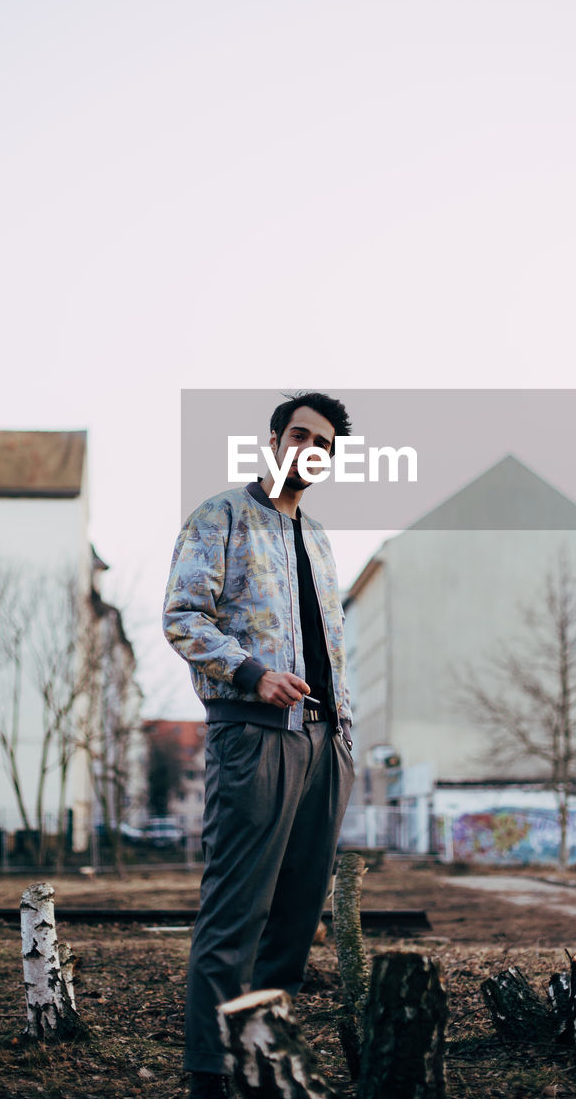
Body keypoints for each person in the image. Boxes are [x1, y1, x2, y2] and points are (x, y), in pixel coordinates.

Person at [163, 391, 355, 1099]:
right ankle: (209, 1077)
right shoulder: (221, 516)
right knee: (235, 910)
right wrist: (251, 674)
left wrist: (344, 732)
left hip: (324, 745)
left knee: (298, 915)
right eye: (298, 434)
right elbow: (182, 617)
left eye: (322, 445)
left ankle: (261, 1058)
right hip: (252, 736)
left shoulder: (320, 539)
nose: (307, 449)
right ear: (273, 441)